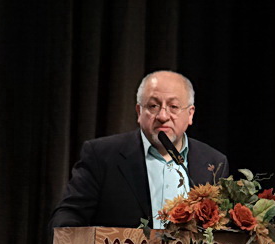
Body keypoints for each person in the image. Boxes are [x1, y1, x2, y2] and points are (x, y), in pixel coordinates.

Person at [50, 70, 229, 228]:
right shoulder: (102, 155)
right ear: (139, 112)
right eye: (153, 106)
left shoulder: (213, 163)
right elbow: (69, 216)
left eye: (173, 107)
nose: (162, 116)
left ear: (190, 114)